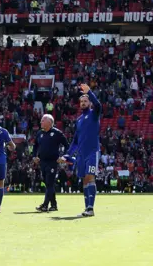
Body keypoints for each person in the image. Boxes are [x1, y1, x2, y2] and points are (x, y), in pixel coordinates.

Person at [59, 84, 101, 217]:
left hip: (92, 152)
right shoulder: (78, 120)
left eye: (85, 101)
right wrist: (67, 155)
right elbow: (75, 142)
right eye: (81, 101)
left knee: (90, 177)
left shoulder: (94, 114)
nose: (83, 103)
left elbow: (99, 105)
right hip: (81, 155)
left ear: (89, 103)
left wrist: (90, 93)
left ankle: (90, 208)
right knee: (84, 180)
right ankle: (87, 208)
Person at [33, 114, 68, 212]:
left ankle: (45, 205)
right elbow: (35, 146)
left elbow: (67, 145)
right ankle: (54, 205)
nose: (41, 122)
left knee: (49, 182)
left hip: (53, 162)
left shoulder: (57, 133)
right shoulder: (40, 133)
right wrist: (34, 156)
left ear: (49, 122)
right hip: (42, 162)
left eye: (43, 120)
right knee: (48, 184)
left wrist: (64, 156)